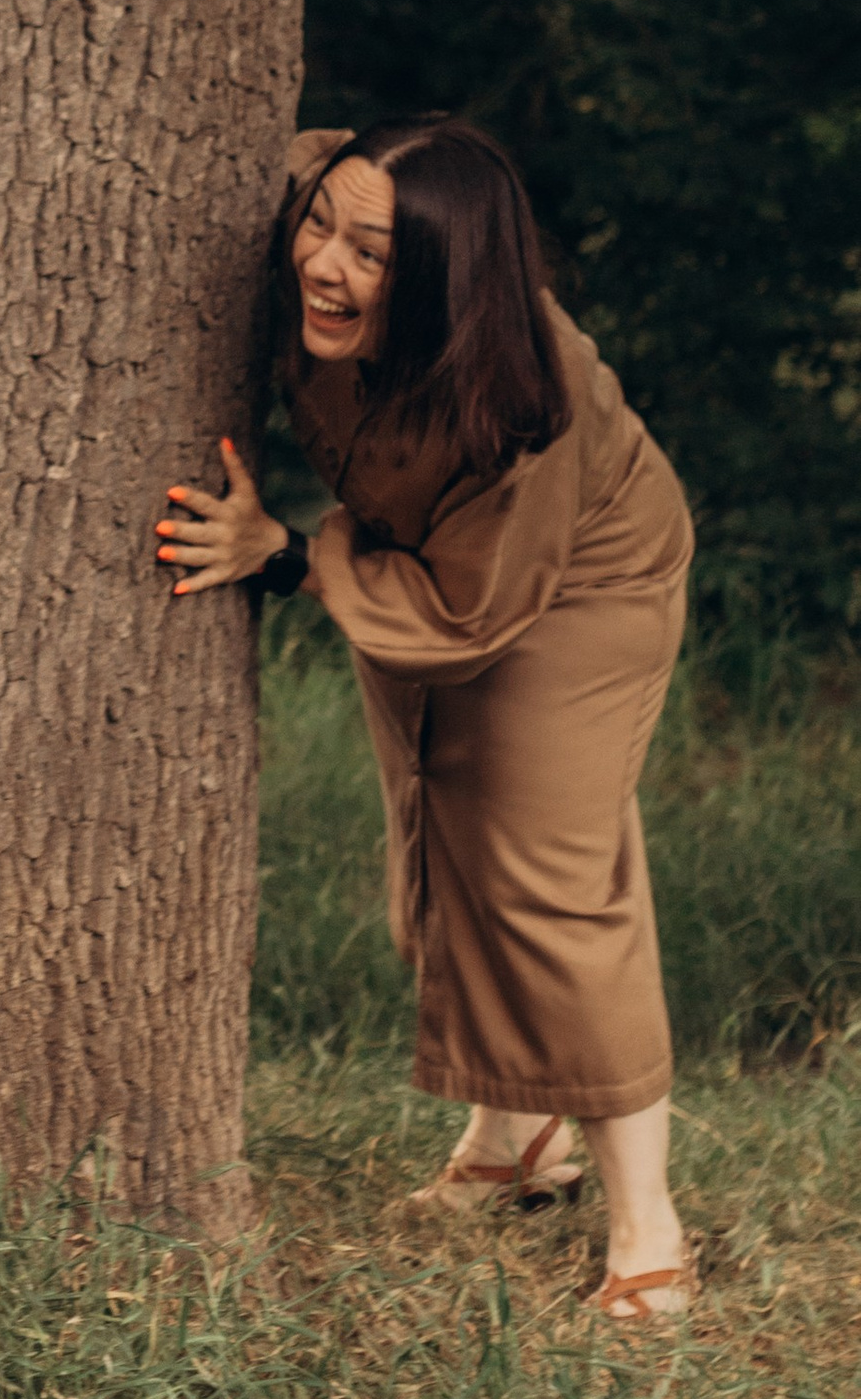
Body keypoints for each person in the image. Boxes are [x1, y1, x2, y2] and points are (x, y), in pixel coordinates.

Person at [158, 118, 697, 1326]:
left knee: (549, 875)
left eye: (373, 254)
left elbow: (471, 610)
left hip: (572, 586)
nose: (325, 264)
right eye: (321, 227)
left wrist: (287, 554)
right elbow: (317, 154)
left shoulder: (521, 406)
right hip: (426, 567)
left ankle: (649, 1229)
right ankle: (514, 1140)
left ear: (448, 276)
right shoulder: (331, 198)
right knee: (436, 825)